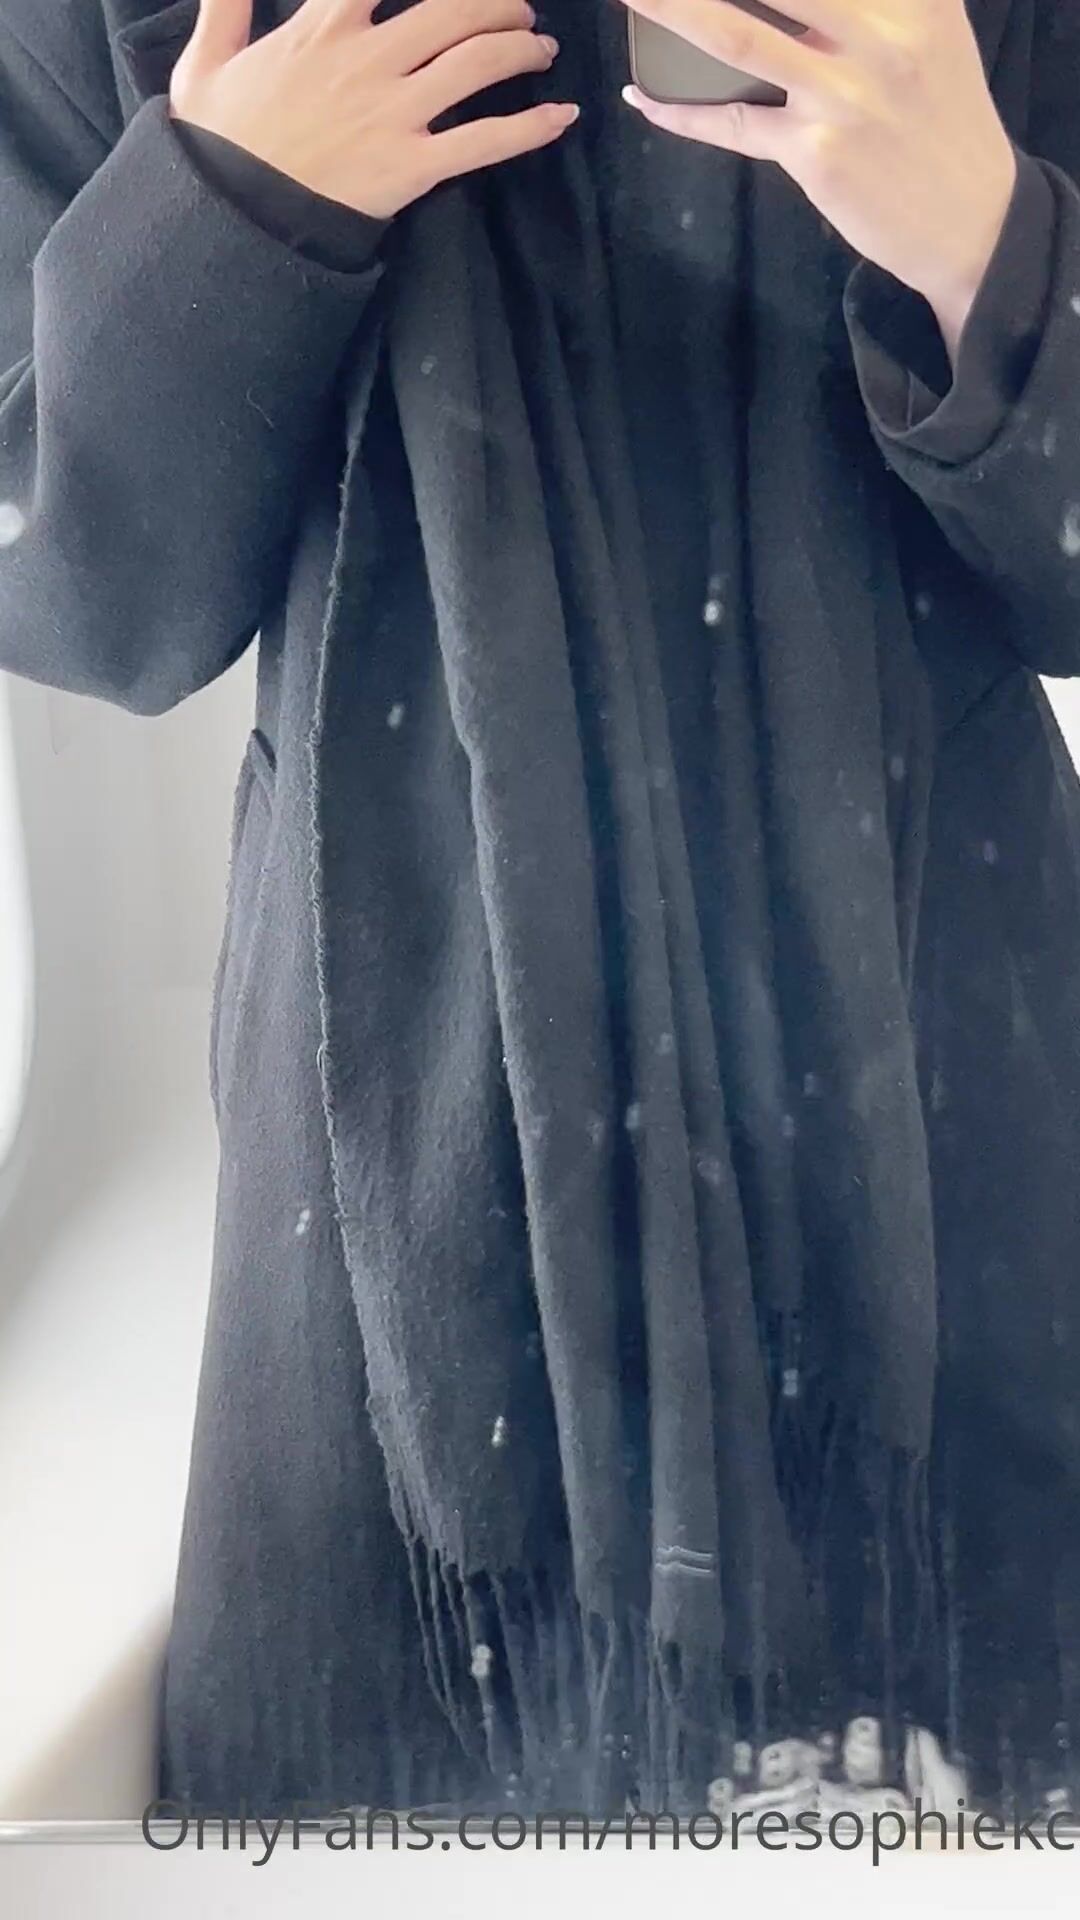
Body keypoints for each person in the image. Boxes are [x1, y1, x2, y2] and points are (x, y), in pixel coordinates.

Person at [3, 0, 1080, 1825]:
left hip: (952, 1137)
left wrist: (983, 236)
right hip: (394, 1203)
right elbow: (79, 594)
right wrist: (232, 209)